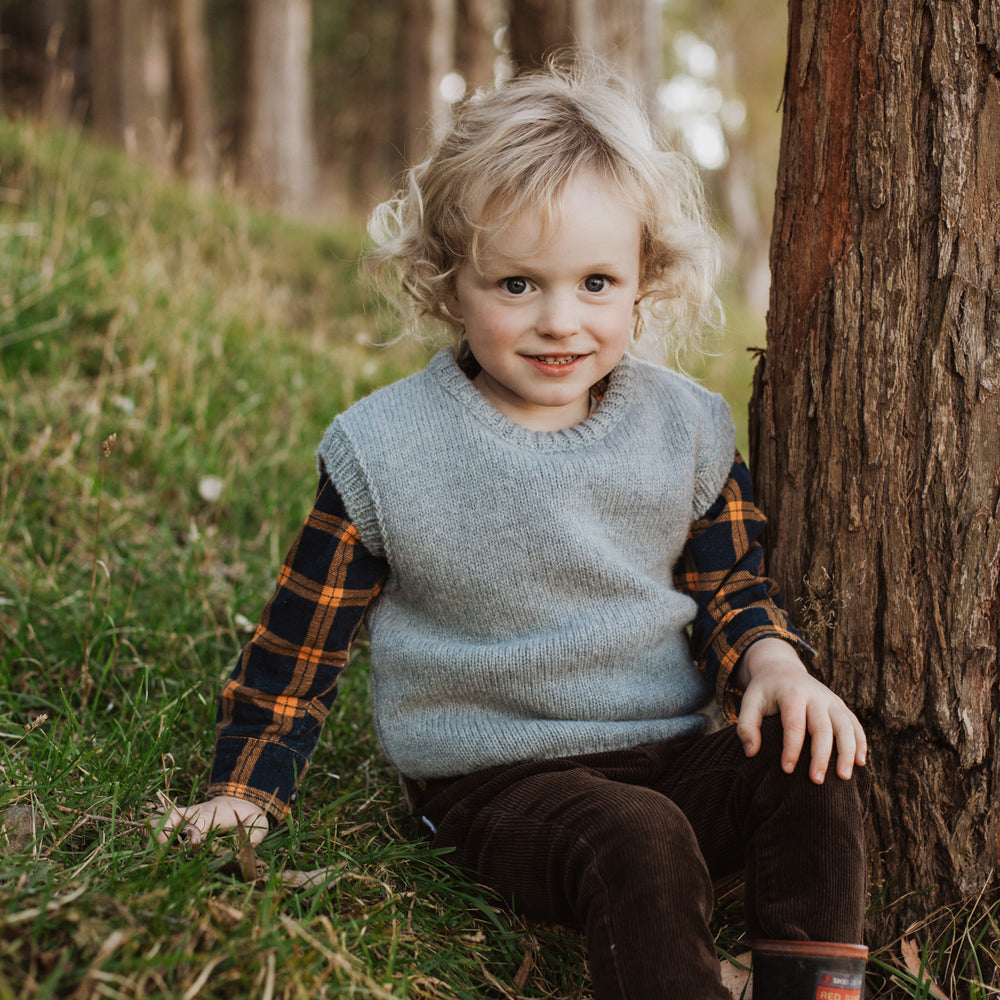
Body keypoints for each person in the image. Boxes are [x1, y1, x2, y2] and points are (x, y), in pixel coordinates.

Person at [156, 57, 869, 1000]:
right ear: (451, 283)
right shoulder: (388, 450)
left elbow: (731, 586)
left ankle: (806, 987)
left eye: (597, 282)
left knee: (813, 760)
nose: (560, 321)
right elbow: (301, 641)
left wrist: (775, 665)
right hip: (498, 780)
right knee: (638, 839)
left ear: (644, 279)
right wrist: (243, 792)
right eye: (518, 285)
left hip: (669, 752)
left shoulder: (684, 428)